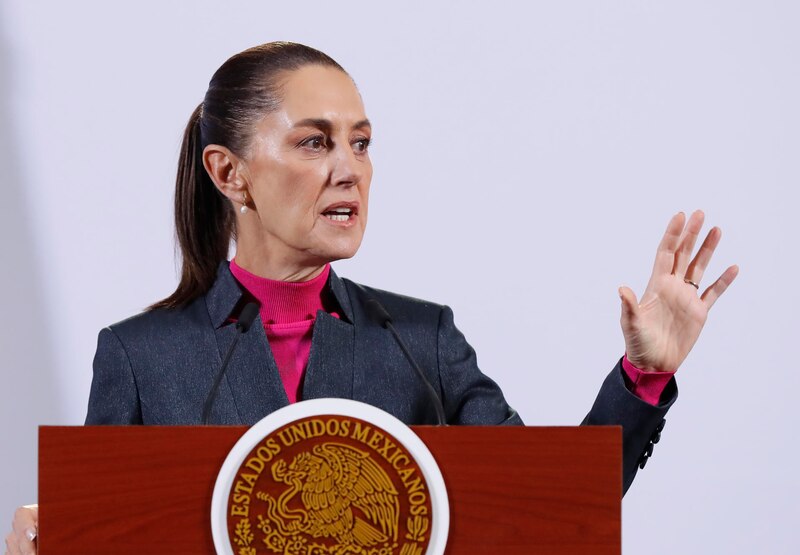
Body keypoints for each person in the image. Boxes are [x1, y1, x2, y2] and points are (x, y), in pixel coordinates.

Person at [4, 42, 738, 555]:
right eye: (315, 143)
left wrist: (644, 374)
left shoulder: (421, 342)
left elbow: (553, 502)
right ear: (229, 173)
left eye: (362, 142)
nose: (350, 170)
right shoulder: (139, 356)